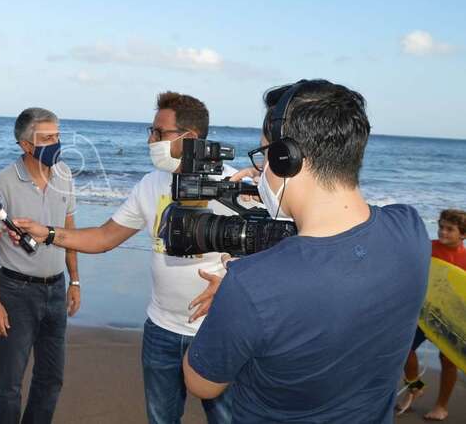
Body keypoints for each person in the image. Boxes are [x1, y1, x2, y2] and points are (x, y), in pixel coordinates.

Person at [181, 79, 430, 423]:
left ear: (286, 159)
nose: (262, 170)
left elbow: (201, 384)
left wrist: (231, 305)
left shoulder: (251, 286)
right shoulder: (410, 228)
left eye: (264, 155)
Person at [11, 92, 235, 424]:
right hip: (161, 329)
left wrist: (231, 284)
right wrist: (49, 233)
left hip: (219, 330)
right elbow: (104, 237)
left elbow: (270, 256)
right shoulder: (151, 184)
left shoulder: (233, 185)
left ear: (189, 137)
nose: (150, 139)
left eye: (159, 132)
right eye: (151, 130)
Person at [0, 107, 80, 424]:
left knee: (51, 378)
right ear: (26, 144)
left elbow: (69, 233)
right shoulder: (3, 182)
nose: (56, 143)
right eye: (47, 138)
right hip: (16, 293)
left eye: (57, 136)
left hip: (56, 289)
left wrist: (75, 281)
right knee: (11, 383)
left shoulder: (64, 174)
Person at [396, 208, 466, 421]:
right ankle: (414, 387)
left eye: (450, 229)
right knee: (403, 349)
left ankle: (441, 406)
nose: (443, 232)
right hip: (422, 312)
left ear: (463, 234)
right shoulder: (427, 248)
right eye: (441, 227)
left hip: (449, 319)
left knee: (448, 361)